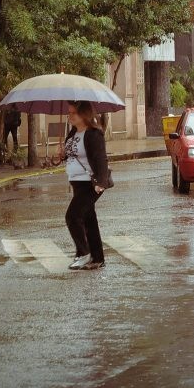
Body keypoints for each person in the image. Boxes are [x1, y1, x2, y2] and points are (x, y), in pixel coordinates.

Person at [59, 101, 110, 270]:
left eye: (74, 113)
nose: (70, 116)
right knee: (89, 220)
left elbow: (101, 159)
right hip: (76, 182)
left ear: (84, 115)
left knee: (72, 217)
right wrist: (61, 155)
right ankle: (98, 258)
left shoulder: (94, 134)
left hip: (90, 184)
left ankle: (83, 253)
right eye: (69, 112)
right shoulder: (73, 133)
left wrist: (101, 183)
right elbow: (72, 156)